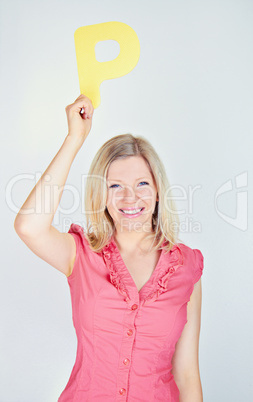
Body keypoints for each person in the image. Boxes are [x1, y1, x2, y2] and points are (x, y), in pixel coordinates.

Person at [14, 94, 204, 402]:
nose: (130, 198)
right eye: (115, 186)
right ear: (100, 195)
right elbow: (29, 226)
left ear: (157, 192)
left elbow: (187, 374)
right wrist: (75, 138)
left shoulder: (186, 267)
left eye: (142, 184)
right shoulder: (80, 254)